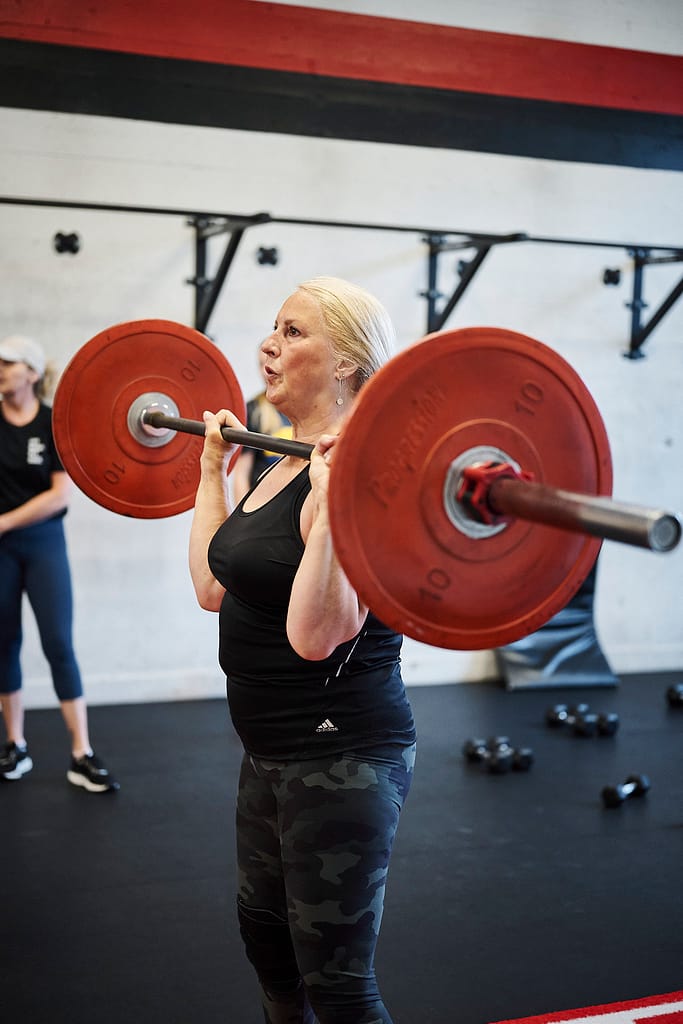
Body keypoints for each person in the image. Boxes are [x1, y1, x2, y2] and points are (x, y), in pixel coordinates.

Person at [189, 277, 416, 1024]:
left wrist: (333, 507)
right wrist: (208, 473)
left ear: (346, 363)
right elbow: (213, 586)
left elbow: (318, 637)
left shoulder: (355, 474)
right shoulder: (281, 459)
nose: (268, 344)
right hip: (268, 751)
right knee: (270, 951)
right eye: (273, 328)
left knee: (338, 985)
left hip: (341, 755)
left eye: (293, 332)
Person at [0, 334, 118, 793]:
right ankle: (15, 745)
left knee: (58, 644)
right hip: (3, 551)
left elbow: (58, 493)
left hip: (43, 543)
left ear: (31, 373)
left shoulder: (52, 423)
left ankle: (81, 753)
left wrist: (5, 520)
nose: (2, 371)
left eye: (9, 364)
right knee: (5, 643)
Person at [231, 344, 292, 505]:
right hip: (261, 505)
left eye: (272, 362)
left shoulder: (304, 409)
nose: (266, 370)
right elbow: (241, 473)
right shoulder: (252, 411)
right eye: (261, 364)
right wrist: (240, 524)